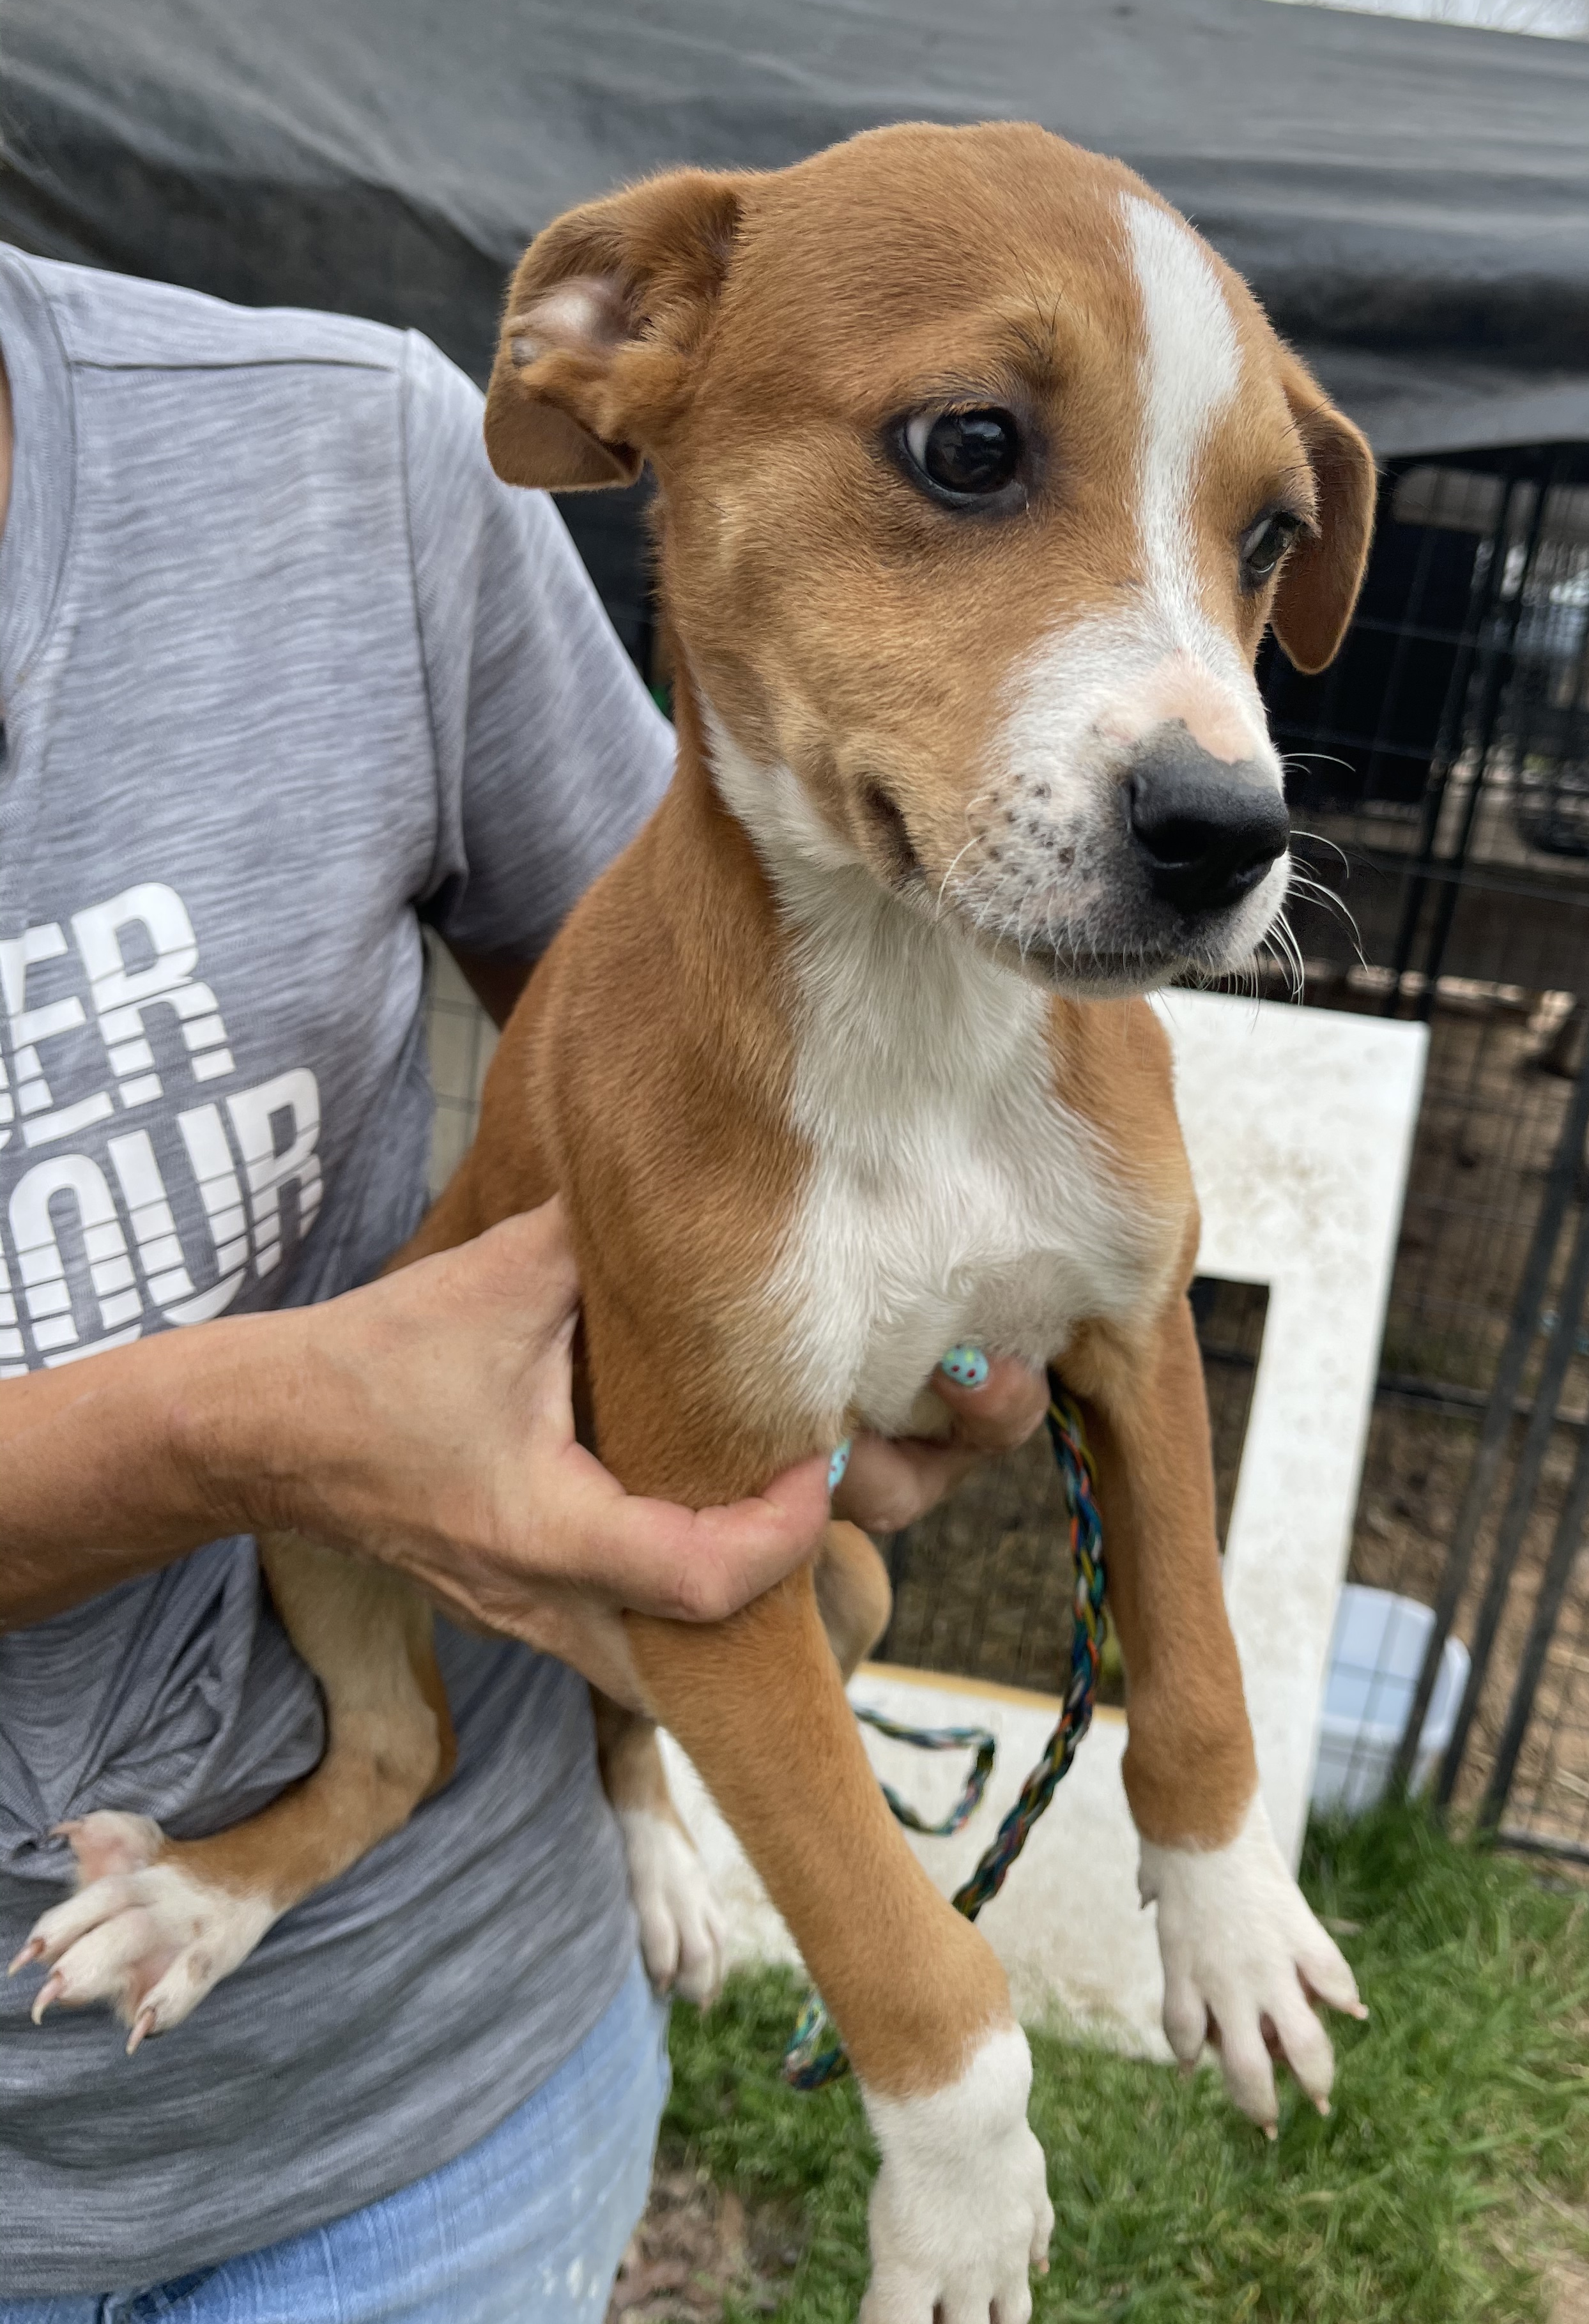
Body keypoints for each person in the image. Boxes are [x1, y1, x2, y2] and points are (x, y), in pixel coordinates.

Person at [0, 247, 1042, 2319]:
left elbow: (678, 1021)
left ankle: (623, 1775)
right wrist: (242, 1429)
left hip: (433, 2088)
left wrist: (925, 1301)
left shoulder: (352, 458)